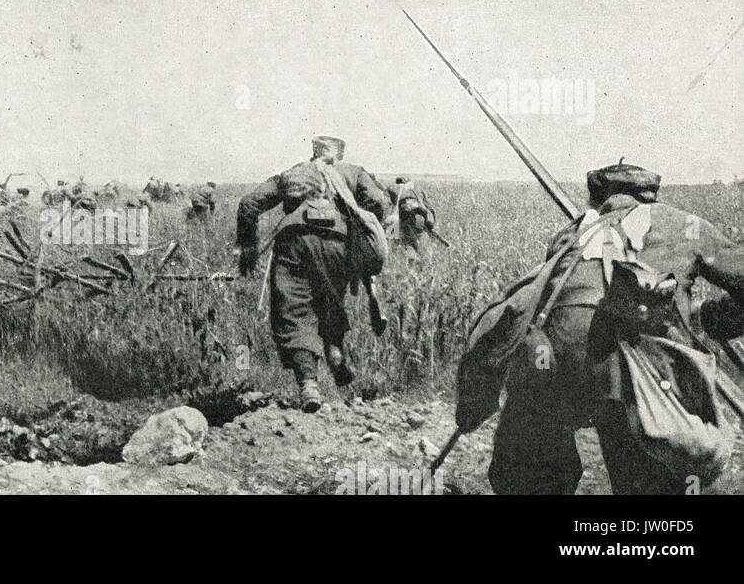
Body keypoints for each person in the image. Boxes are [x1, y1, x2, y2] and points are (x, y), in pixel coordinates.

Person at [457, 160, 744, 494]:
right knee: (649, 473)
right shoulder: (684, 224)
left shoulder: (571, 235)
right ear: (649, 194)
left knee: (536, 473)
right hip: (633, 376)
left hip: (551, 369)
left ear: (597, 197)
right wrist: (713, 319)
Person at [236, 136, 388, 412]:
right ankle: (335, 352)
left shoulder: (294, 173)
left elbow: (249, 204)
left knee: (293, 311)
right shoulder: (353, 173)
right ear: (338, 154)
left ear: (313, 152)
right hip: (337, 245)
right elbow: (378, 202)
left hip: (295, 243)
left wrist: (248, 247)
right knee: (330, 303)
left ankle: (309, 384)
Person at [386, 177, 441, 253]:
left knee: (393, 232)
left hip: (404, 211)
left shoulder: (395, 189)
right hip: (416, 208)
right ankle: (430, 230)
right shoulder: (410, 189)